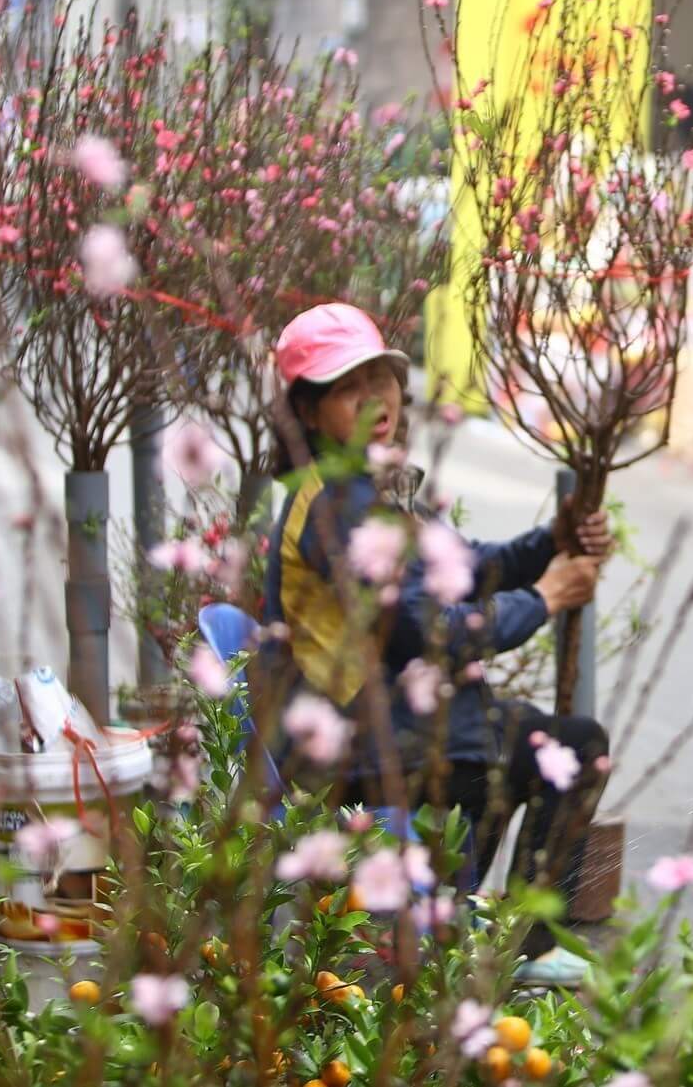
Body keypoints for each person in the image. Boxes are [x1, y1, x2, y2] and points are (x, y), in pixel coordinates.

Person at [247, 303, 611, 976]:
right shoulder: (335, 506)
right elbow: (428, 628)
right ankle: (491, 937)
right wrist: (544, 598)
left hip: (414, 725)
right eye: (346, 388)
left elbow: (463, 563)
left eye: (379, 378)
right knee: (552, 746)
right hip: (364, 747)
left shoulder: (369, 485)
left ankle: (495, 933)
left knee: (566, 742)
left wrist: (550, 541)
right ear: (306, 412)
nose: (373, 399)